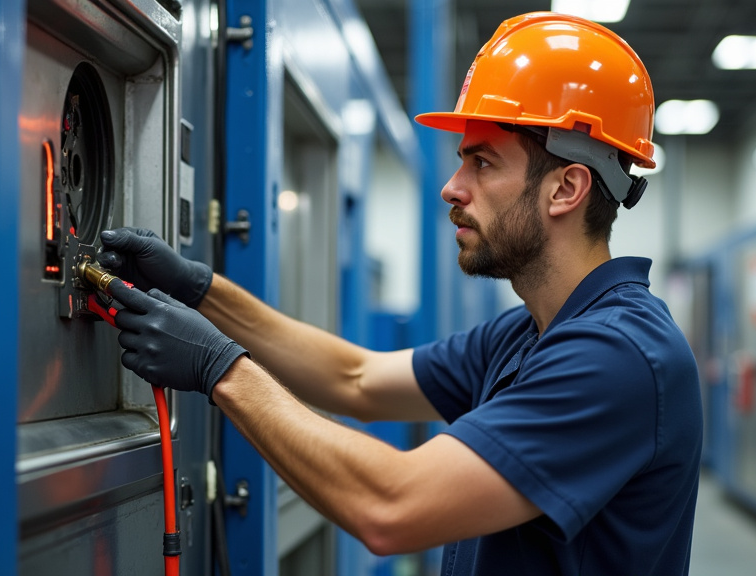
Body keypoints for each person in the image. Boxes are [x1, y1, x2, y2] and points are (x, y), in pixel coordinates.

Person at [98, 11, 703, 575]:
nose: (451, 187)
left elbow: (393, 506)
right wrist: (202, 291)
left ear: (565, 188)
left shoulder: (618, 356)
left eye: (483, 162)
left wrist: (218, 368)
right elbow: (354, 380)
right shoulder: (532, 333)